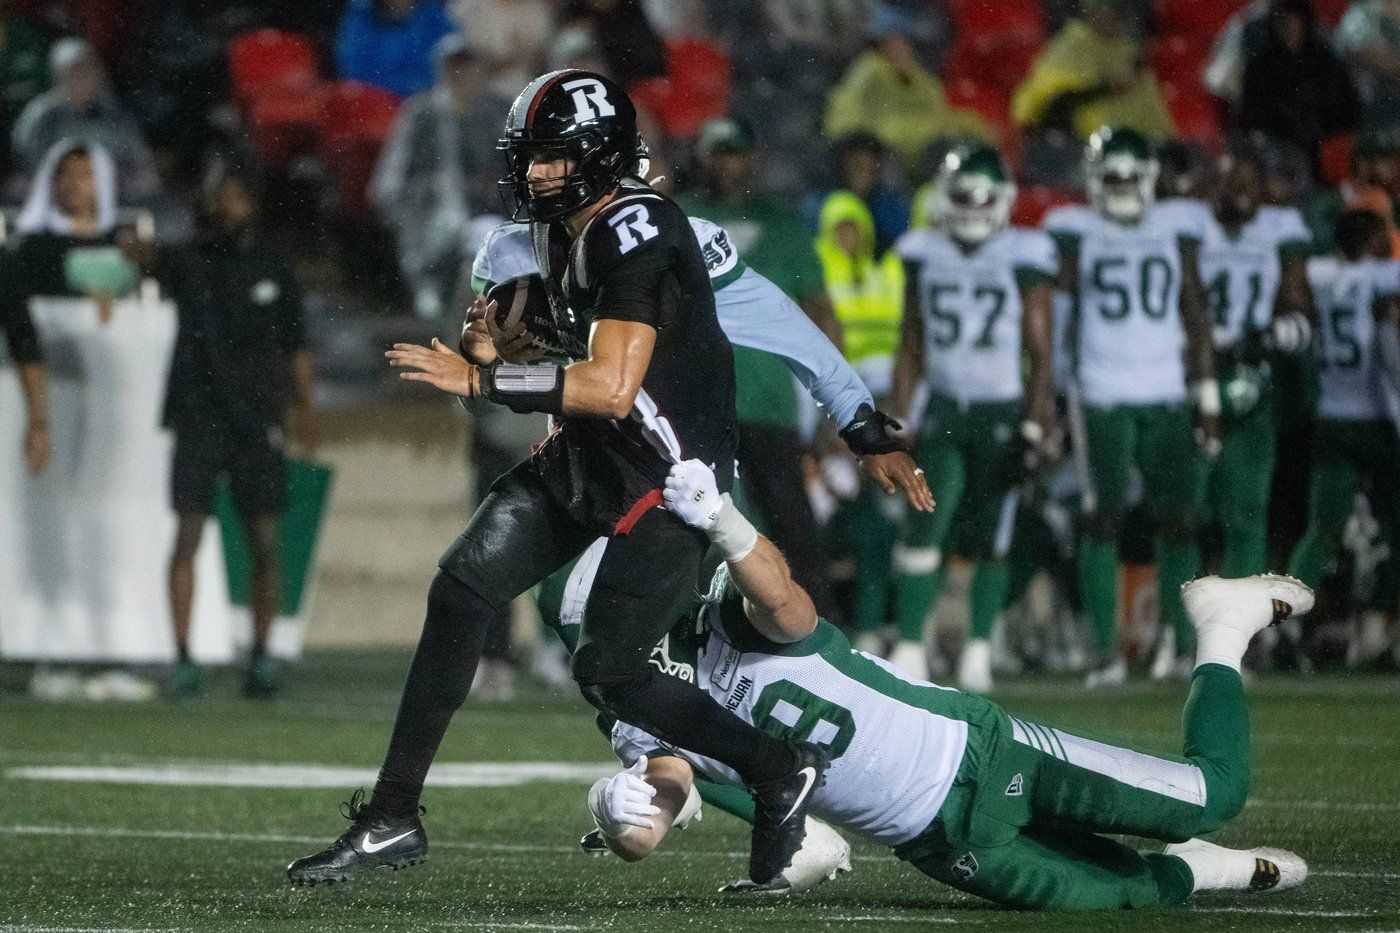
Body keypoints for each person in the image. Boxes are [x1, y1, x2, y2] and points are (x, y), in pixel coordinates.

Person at [286, 70, 864, 888]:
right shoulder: (559, 229)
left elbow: (611, 384)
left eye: (551, 159)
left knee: (610, 670)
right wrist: (494, 344)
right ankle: (390, 818)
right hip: (592, 454)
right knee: (461, 589)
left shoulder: (640, 229)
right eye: (530, 158)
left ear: (596, 158)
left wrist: (479, 381)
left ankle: (776, 768)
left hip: (668, 478)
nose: (533, 175)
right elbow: (561, 362)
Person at [588, 457, 1311, 909]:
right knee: (1118, 892)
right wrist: (612, 808)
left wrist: (723, 518)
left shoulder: (728, 617)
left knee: (1212, 794)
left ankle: (1223, 623)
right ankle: (1202, 870)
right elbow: (651, 821)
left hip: (981, 756)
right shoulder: (647, 712)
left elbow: (784, 599)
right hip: (935, 843)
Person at [1044, 127, 1218, 687]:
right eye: (1110, 176)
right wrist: (1053, 394)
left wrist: (1206, 391)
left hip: (1166, 390)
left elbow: (1195, 311)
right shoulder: (1076, 231)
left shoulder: (1178, 226)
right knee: (1102, 519)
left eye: (1128, 176)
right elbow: (1062, 317)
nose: (1120, 187)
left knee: (1180, 520)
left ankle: (1176, 640)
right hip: (1101, 392)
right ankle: (1106, 651)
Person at [888, 144, 1058, 691]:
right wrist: (895, 414)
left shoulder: (1023, 254)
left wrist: (1036, 423)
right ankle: (912, 645)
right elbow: (910, 342)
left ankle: (978, 650)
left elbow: (1040, 352)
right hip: (943, 407)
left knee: (994, 535)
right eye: (962, 195)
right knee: (924, 523)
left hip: (1000, 410)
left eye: (981, 195)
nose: (972, 205)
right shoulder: (924, 252)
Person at [678, 117, 844, 620]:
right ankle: (695, 634)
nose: (726, 165)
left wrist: (833, 402)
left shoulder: (783, 227)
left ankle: (824, 637)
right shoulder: (676, 217)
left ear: (753, 159)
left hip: (767, 400)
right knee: (691, 527)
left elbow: (822, 318)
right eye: (717, 153)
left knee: (792, 527)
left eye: (734, 153)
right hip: (693, 403)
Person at [161, 164, 316, 699]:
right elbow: (134, 263)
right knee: (187, 534)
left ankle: (260, 655)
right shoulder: (186, 259)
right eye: (218, 196)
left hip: (257, 418)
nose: (227, 205)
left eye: (236, 195)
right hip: (198, 415)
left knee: (264, 542)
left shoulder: (275, 266)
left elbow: (297, 344)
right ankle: (182, 657)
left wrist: (305, 410)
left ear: (252, 203)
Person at [1194, 148, 1316, 582]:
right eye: (1228, 181)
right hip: (1193, 369)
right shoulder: (1189, 226)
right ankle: (1182, 632)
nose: (1238, 192)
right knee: (1188, 511)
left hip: (1252, 370)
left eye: (1247, 182)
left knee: (1247, 508)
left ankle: (1240, 631)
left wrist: (1272, 336)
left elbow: (1302, 315)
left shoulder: (1281, 231)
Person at [1288, 210, 1400, 606]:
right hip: (1378, 420)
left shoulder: (1319, 274)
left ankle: (1278, 623)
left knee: (1321, 531)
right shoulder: (1381, 277)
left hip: (1331, 416)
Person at [1, 140, 127, 478]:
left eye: (85, 175)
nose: (73, 184)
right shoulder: (30, 247)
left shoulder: (126, 245)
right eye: (64, 175)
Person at [371, 34, 508, 318]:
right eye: (455, 67)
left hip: (490, 208)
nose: (463, 75)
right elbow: (391, 176)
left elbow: (520, 166)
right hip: (433, 209)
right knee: (436, 203)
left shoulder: (500, 111)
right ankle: (429, 284)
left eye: (469, 66)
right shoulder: (422, 113)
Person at [824, 2, 990, 176]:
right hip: (891, 167)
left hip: (924, 161)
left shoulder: (916, 75)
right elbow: (844, 124)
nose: (905, 48)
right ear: (883, 42)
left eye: (907, 42)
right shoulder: (869, 73)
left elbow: (941, 115)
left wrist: (975, 127)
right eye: (898, 41)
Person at [10, 38, 158, 198]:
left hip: (112, 197)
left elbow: (139, 159)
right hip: (52, 197)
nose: (81, 80)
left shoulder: (115, 114)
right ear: (59, 78)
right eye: (74, 74)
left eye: (87, 72)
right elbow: (27, 161)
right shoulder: (41, 115)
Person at [1011, 0, 1175, 141]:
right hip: (1076, 150)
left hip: (1127, 150)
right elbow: (1050, 108)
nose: (1110, 21)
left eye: (1117, 15)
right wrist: (1107, 88)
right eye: (1104, 12)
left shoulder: (1129, 54)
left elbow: (1155, 116)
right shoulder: (1070, 47)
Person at [1239, 0, 1360, 181]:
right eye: (1282, 24)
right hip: (1281, 152)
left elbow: (1347, 111)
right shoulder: (1261, 69)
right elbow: (1253, 118)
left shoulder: (1326, 64)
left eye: (1293, 23)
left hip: (1326, 147)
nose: (1288, 30)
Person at [335, 0, 455, 99]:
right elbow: (352, 69)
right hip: (369, 105)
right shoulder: (360, 16)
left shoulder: (436, 19)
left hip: (420, 106)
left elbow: (450, 67)